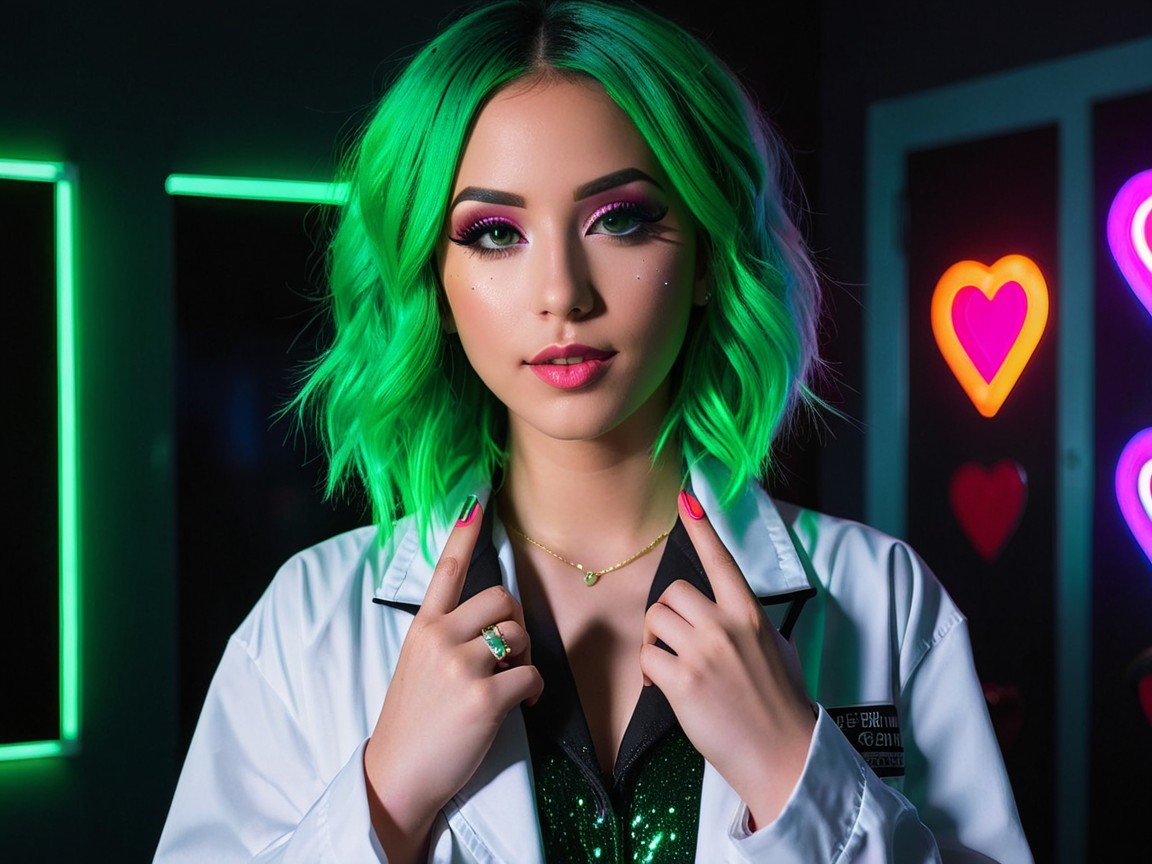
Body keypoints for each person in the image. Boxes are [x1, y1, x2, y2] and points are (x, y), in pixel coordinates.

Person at [155, 1, 1033, 861]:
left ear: (704, 255)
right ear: (436, 284)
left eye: (621, 219)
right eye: (494, 233)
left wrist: (794, 776)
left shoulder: (883, 599)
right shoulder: (304, 623)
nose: (562, 293)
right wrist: (386, 798)